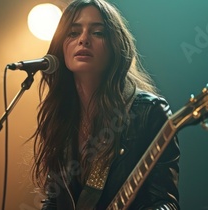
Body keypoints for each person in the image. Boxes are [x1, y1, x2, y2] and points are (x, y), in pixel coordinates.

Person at [30, 0, 180, 209]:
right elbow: (54, 200)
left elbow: (165, 203)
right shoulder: (61, 115)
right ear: (60, 46)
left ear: (115, 45)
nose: (83, 39)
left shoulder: (148, 112)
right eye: (73, 33)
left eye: (98, 33)